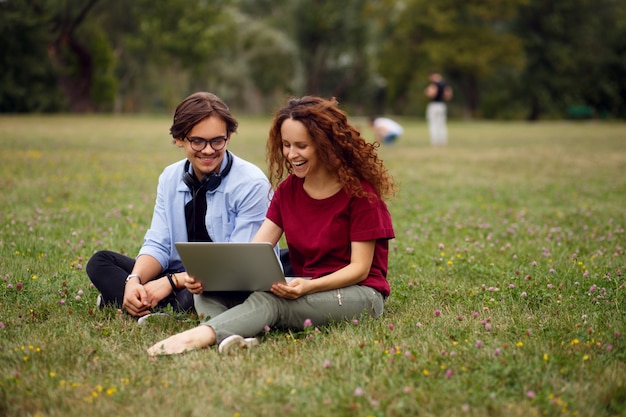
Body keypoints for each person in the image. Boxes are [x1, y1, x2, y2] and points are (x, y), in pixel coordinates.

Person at [147, 96, 396, 356]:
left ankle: (202, 335)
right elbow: (255, 251)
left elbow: (359, 269)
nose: (291, 154)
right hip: (304, 283)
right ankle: (234, 335)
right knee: (208, 293)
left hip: (359, 294)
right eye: (286, 145)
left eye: (301, 146)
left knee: (270, 302)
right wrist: (209, 280)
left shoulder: (361, 195)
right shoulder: (288, 191)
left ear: (325, 145)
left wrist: (309, 286)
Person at [86, 92, 272, 319]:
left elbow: (237, 265)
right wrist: (133, 280)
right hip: (176, 274)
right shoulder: (169, 177)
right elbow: (158, 244)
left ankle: (128, 302)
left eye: (217, 140)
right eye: (197, 141)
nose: (208, 150)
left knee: (196, 295)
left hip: (222, 280)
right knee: (100, 262)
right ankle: (139, 299)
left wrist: (174, 282)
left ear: (228, 137)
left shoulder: (252, 183)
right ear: (180, 139)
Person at [424, 72, 453, 146]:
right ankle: (443, 141)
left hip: (434, 105)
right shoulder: (445, 84)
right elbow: (448, 94)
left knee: (433, 124)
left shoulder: (434, 84)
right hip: (442, 105)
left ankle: (435, 141)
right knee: (442, 124)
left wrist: (427, 91)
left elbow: (432, 93)